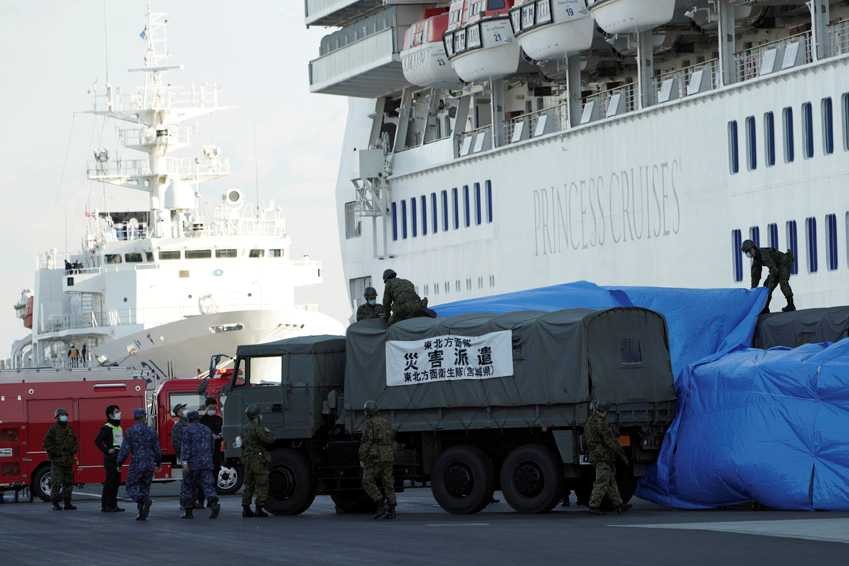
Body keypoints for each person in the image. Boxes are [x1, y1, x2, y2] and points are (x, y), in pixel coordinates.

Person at [583, 400, 630, 515]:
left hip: (598, 455)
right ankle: (594, 506)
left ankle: (618, 504)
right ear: (604, 412)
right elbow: (610, 442)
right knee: (602, 481)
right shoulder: (601, 423)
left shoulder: (590, 421)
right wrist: (622, 454)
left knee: (610, 481)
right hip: (602, 456)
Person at [117, 408, 162, 521]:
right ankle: (142, 512)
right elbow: (157, 449)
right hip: (150, 463)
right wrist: (158, 462)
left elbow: (125, 450)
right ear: (144, 417)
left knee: (130, 486)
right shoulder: (151, 431)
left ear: (135, 418)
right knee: (145, 488)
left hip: (137, 463)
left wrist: (119, 463)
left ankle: (142, 501)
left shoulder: (130, 431)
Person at [358, 400, 396, 520]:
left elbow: (367, 441)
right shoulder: (386, 421)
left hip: (376, 457)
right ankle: (392, 508)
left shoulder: (370, 423)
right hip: (388, 455)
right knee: (388, 481)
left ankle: (380, 504)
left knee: (367, 480)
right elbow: (392, 437)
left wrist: (362, 456)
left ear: (368, 412)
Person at [180, 410, 220, 519]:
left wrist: (184, 461)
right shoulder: (207, 429)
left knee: (188, 486)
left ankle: (188, 512)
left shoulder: (187, 430)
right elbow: (212, 446)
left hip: (192, 463)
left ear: (189, 419)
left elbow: (186, 447)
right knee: (208, 486)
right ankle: (213, 504)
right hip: (206, 462)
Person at [741, 239, 796, 313]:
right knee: (766, 286)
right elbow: (755, 276)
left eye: (748, 251)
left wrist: (771, 282)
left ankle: (791, 305)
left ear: (753, 248)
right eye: (746, 252)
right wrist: (753, 289)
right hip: (776, 267)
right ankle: (766, 308)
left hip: (784, 262)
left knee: (783, 283)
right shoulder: (756, 259)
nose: (748, 254)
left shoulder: (763, 254)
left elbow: (773, 269)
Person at [241, 404, 274, 518]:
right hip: (258, 459)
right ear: (257, 416)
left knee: (249, 484)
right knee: (262, 483)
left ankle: (246, 508)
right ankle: (259, 508)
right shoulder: (258, 427)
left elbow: (242, 444)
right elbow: (268, 440)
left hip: (247, 459)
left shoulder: (244, 428)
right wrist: (269, 433)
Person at [43, 408, 78, 511]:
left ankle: (68, 503)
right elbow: (46, 443)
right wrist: (56, 453)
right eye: (62, 415)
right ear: (57, 417)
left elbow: (75, 441)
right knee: (56, 483)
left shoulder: (69, 429)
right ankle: (55, 504)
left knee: (68, 483)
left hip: (68, 461)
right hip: (58, 462)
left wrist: (73, 450)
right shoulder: (53, 429)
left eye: (65, 415)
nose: (64, 417)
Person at [94, 404, 125, 513]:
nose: (119, 413)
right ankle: (105, 506)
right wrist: (107, 450)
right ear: (110, 415)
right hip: (111, 458)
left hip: (119, 457)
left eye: (119, 411)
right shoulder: (107, 427)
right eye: (116, 412)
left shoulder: (119, 427)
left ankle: (113, 505)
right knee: (109, 482)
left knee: (116, 482)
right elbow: (98, 441)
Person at [199, 397, 224, 505]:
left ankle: (211, 499)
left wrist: (220, 436)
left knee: (214, 476)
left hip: (216, 453)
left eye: (214, 408)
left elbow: (223, 431)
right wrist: (210, 436)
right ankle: (201, 499)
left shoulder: (219, 419)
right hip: (205, 454)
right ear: (206, 407)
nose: (213, 410)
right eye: (211, 408)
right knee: (203, 478)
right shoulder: (201, 420)